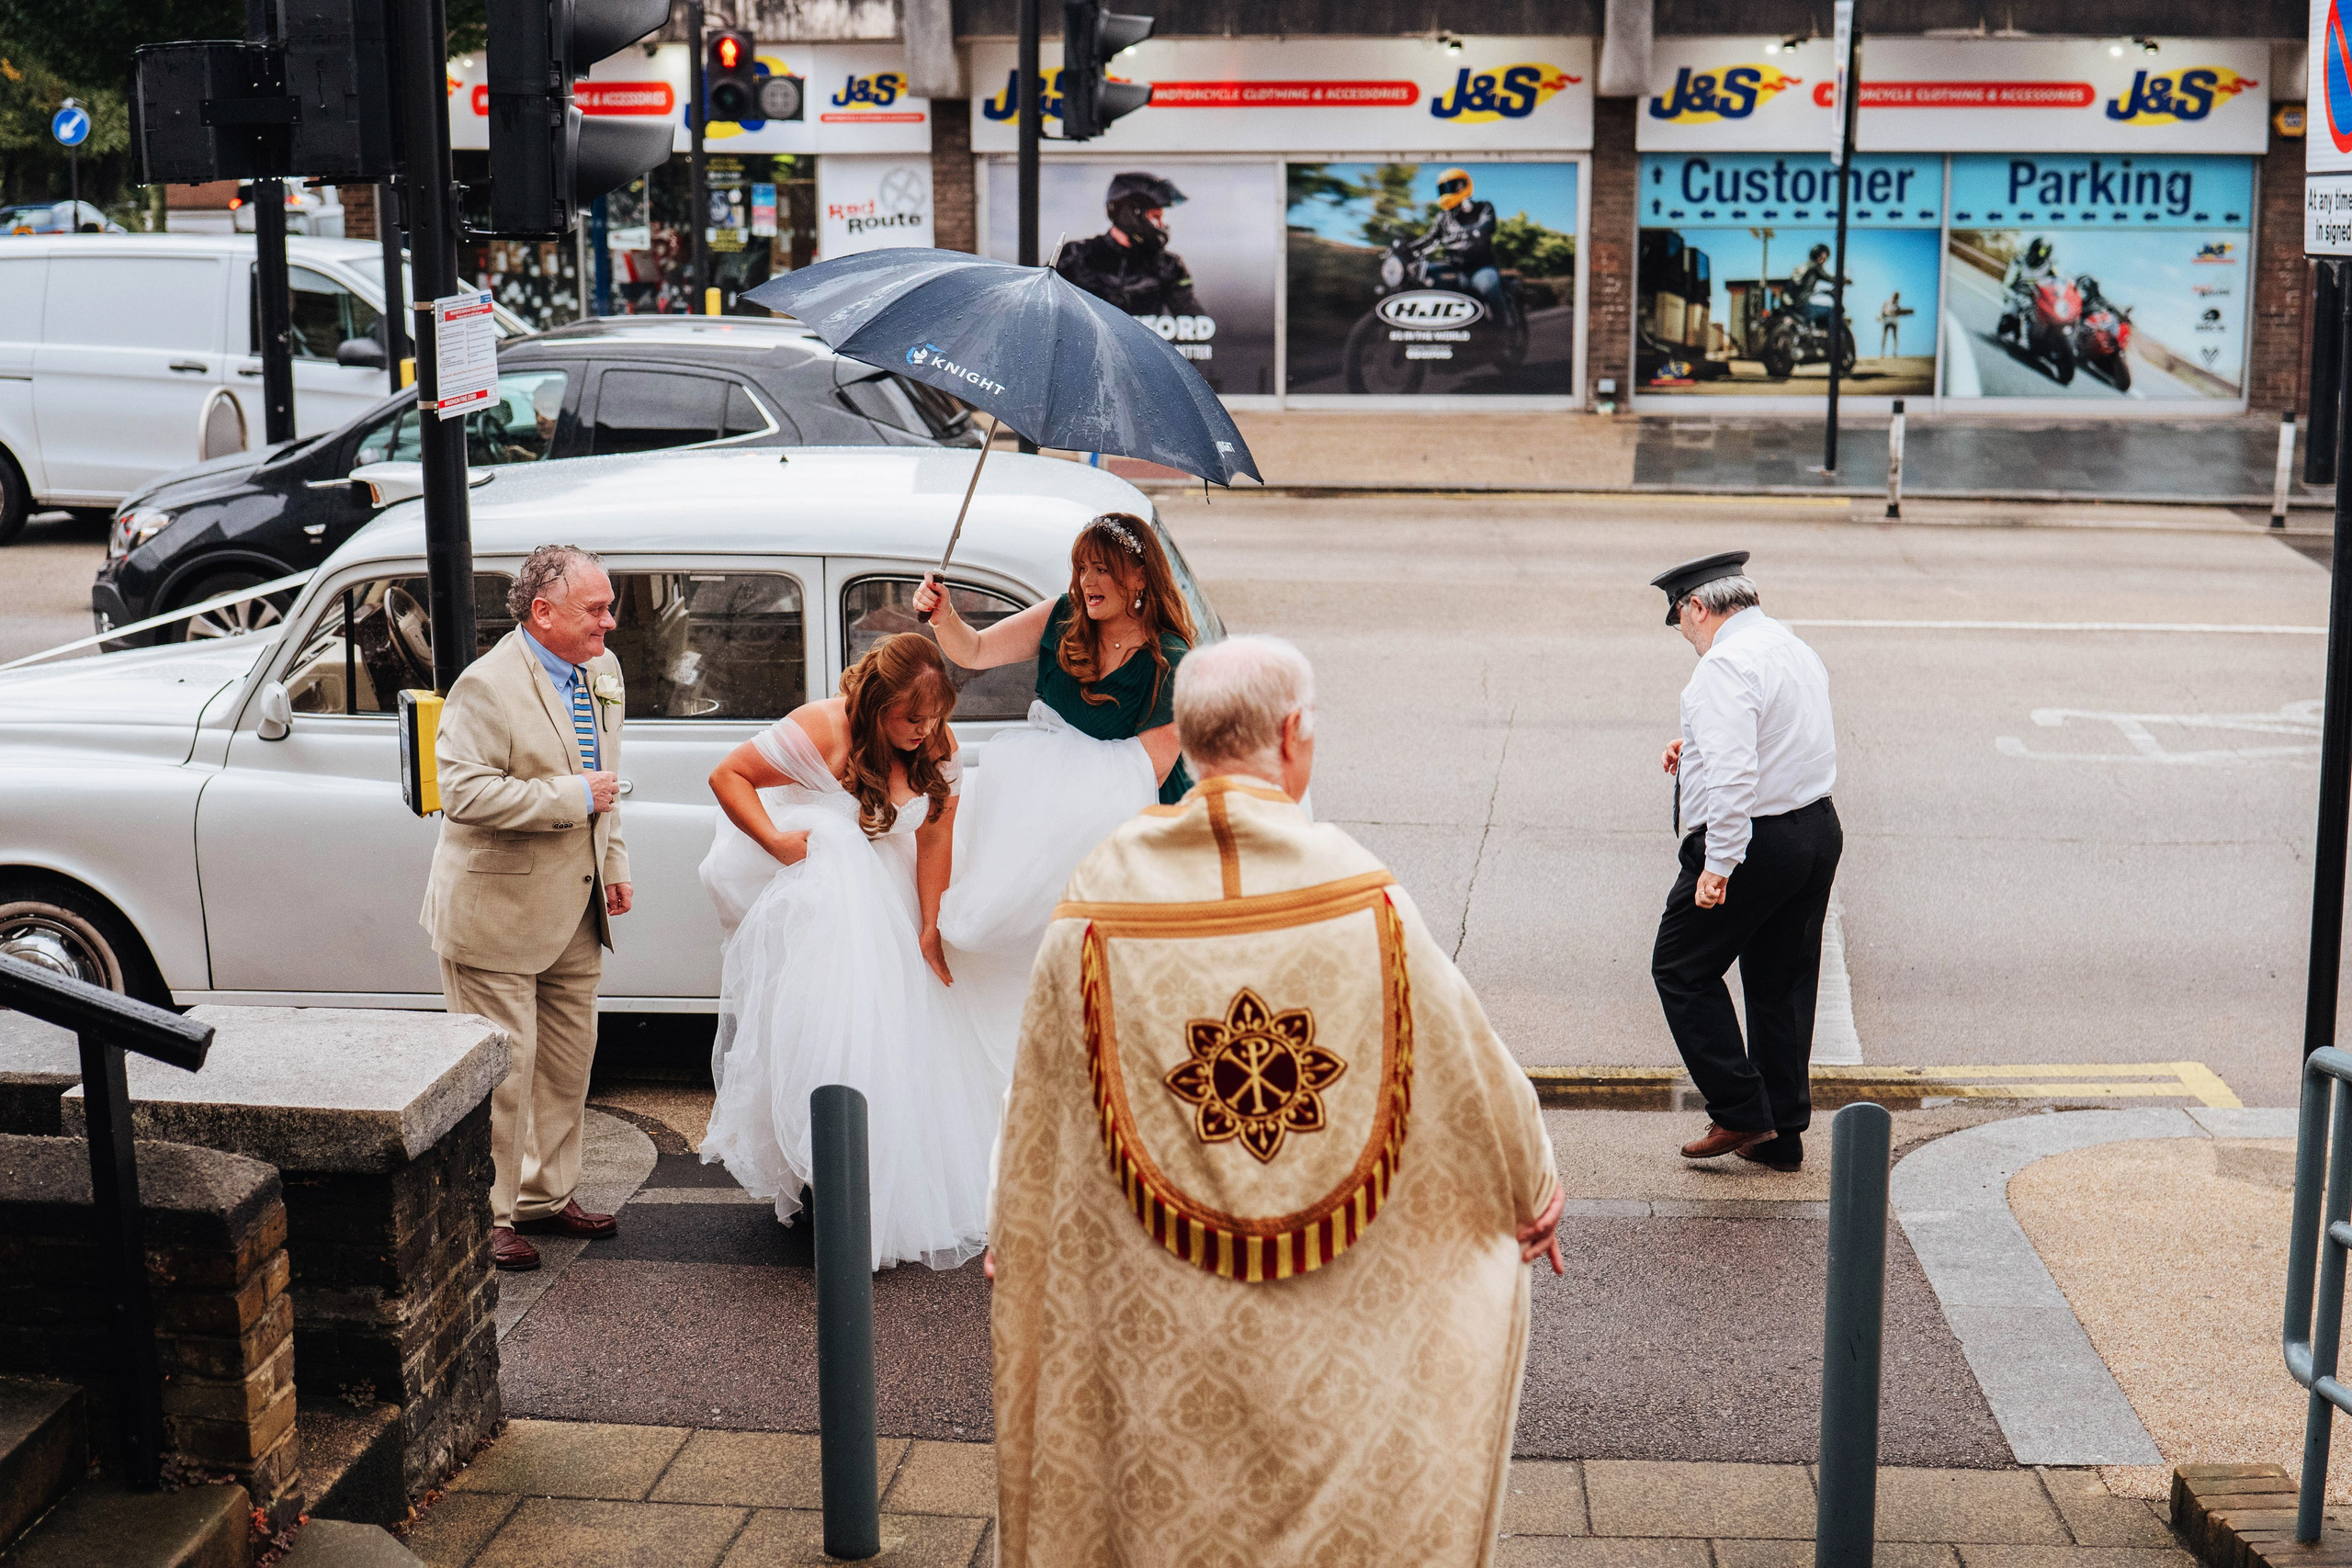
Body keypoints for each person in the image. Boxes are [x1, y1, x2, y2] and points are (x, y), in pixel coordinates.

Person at [988, 636, 1563, 1567]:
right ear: (1293, 735)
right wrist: (1528, 1187)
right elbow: (1473, 1067)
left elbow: (1036, 1100)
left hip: (1161, 1323)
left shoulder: (1095, 903)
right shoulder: (1364, 897)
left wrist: (1011, 1230)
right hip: (1325, 1337)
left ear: (1185, 740)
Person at [696, 634, 1004, 1271]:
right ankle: (824, 1180)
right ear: (877, 704)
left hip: (890, 900)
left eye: (934, 717)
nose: (924, 730)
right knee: (832, 1034)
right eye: (911, 718)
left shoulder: (936, 742)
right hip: (825, 911)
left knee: (906, 1041)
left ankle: (887, 1183)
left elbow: (935, 837)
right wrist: (777, 841)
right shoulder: (823, 727)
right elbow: (728, 775)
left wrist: (930, 925)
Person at [422, 545, 632, 1273]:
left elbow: (607, 779)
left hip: (575, 907)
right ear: (543, 612)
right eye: (595, 609)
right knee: (502, 1077)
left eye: (609, 606)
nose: (610, 621)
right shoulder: (485, 685)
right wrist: (571, 798)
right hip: (495, 909)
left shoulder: (602, 671)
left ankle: (546, 1194)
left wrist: (613, 862)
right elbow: (463, 792)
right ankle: (489, 1214)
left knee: (569, 1065)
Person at [910, 512, 1194, 1045]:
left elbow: (1148, 767)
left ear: (1139, 576)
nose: (1087, 581)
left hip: (1130, 831)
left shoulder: (1171, 660)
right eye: (1082, 568)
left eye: (1102, 569)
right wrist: (944, 616)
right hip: (1042, 818)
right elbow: (974, 650)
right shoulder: (1061, 617)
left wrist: (1049, 810)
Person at [1648, 553, 1841, 1170]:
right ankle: (1781, 1133)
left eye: (1681, 621)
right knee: (1780, 984)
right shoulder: (1790, 645)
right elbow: (1785, 734)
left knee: (1681, 968)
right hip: (1815, 829)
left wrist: (1719, 864)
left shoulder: (1724, 665)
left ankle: (1739, 1108)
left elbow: (1735, 777)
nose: (1686, 635)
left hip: (1755, 841)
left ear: (1696, 607)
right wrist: (1697, 746)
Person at [1053, 172, 1201, 316]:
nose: (1161, 225)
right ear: (1131, 213)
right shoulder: (1075, 257)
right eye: (1155, 217)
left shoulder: (1168, 265)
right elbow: (1046, 308)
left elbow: (1194, 320)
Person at [1424, 165, 1510, 321]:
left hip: (1481, 267)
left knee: (1489, 285)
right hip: (1455, 269)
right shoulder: (1443, 217)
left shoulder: (1482, 207)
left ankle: (1504, 327)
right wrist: (1407, 248)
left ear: (1463, 186)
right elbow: (1430, 238)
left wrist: (1472, 231)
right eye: (1442, 189)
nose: (1446, 193)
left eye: (1450, 187)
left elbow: (1487, 225)